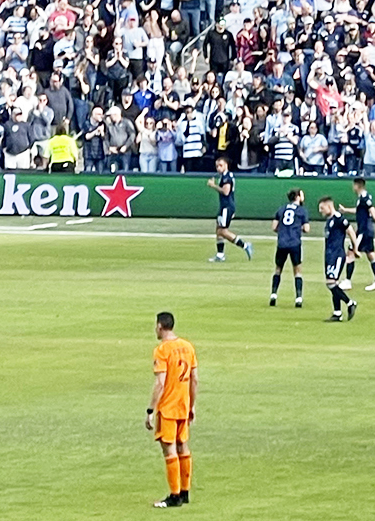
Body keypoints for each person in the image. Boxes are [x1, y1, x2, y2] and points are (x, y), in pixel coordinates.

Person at [146, 311, 197, 508]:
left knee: (169, 449)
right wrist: (192, 404)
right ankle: (185, 492)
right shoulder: (187, 347)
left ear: (160, 326)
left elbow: (160, 383)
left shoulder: (162, 350)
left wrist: (151, 410)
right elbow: (194, 379)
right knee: (183, 445)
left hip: (168, 407)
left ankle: (175, 496)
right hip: (183, 404)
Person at [346, 176, 375, 291]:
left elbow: (373, 212)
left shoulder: (365, 198)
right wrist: (345, 210)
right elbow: (359, 211)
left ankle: (347, 281)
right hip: (367, 230)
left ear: (357, 185)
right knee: (371, 255)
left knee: (350, 252)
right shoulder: (363, 198)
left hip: (363, 230)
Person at [205, 159, 252, 263]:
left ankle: (244, 245)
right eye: (217, 166)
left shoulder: (227, 177)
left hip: (227, 207)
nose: (218, 168)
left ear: (226, 165)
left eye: (220, 165)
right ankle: (220, 254)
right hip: (224, 206)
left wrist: (213, 186)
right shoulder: (224, 176)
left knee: (222, 231)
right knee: (218, 229)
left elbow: (226, 192)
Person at [318, 196, 357, 322]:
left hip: (337, 255)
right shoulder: (329, 220)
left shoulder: (339, 218)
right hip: (329, 255)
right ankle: (337, 313)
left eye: (322, 208)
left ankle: (350, 303)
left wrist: (355, 248)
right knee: (333, 283)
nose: (320, 211)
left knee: (330, 283)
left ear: (329, 206)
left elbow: (351, 231)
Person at [270, 188, 310, 308]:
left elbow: (274, 227)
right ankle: (298, 298)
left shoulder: (281, 209)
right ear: (297, 197)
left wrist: (283, 230)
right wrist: (298, 228)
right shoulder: (302, 211)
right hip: (294, 243)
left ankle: (273, 295)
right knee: (297, 271)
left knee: (278, 269)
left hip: (282, 243)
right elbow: (307, 229)